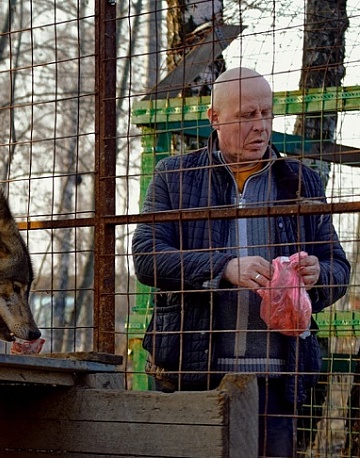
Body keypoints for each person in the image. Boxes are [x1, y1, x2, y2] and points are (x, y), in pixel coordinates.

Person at [132, 67, 350, 457]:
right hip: (193, 371)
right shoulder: (175, 176)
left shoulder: (299, 181)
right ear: (214, 118)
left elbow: (338, 266)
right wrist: (224, 268)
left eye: (266, 114)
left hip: (276, 378)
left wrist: (318, 275)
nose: (261, 126)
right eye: (247, 115)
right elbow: (147, 258)